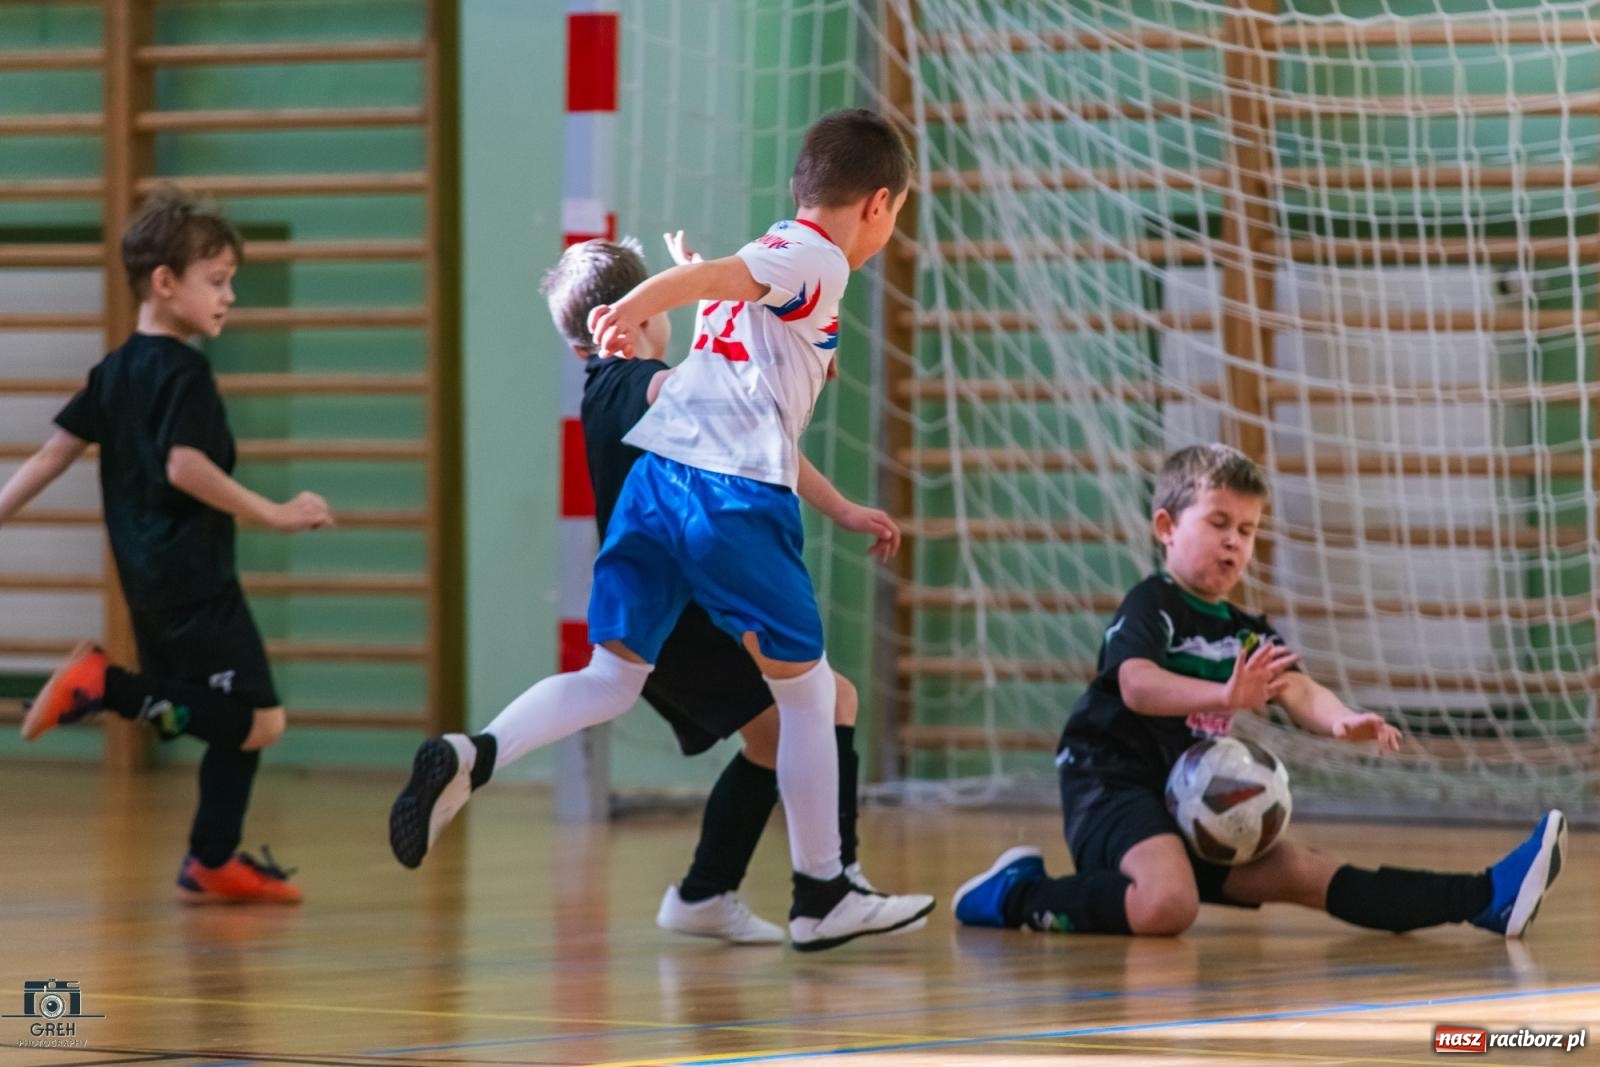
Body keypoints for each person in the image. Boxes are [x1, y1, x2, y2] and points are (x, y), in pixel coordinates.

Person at [389, 108, 934, 950]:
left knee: (610, 677)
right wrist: (646, 296)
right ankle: (824, 891)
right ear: (878, 203)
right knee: (812, 700)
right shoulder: (816, 256)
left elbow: (735, 342)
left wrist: (840, 505)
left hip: (659, 493)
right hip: (729, 501)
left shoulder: (763, 278)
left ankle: (477, 752)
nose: (888, 232)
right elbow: (731, 280)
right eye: (894, 217)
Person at [953, 443, 1566, 940]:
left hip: (1185, 803)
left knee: (1304, 871)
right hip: (1109, 783)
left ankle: (1485, 898)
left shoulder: (1245, 631)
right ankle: (1019, 893)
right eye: (1219, 523)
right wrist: (1223, 695)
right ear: (1166, 527)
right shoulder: (1154, 605)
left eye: (1246, 530)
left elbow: (1296, 686)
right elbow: (1136, 685)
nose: (1234, 542)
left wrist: (1340, 720)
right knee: (1168, 905)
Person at [534, 233, 894, 944]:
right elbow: (732, 416)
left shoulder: (603, 391)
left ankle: (708, 892)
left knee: (775, 730)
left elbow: (725, 419)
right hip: (685, 609)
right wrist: (709, 287)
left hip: (664, 606)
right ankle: (832, 884)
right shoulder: (643, 382)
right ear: (635, 320)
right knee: (824, 702)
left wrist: (710, 299)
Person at [0, 186, 333, 903]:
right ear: (164, 282)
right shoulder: (186, 373)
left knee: (230, 713)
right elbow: (187, 464)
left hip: (148, 579)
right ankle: (105, 686)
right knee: (259, 720)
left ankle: (212, 858)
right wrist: (272, 513)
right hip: (196, 580)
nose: (230, 297)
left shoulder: (115, 369)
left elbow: (53, 453)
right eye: (217, 282)